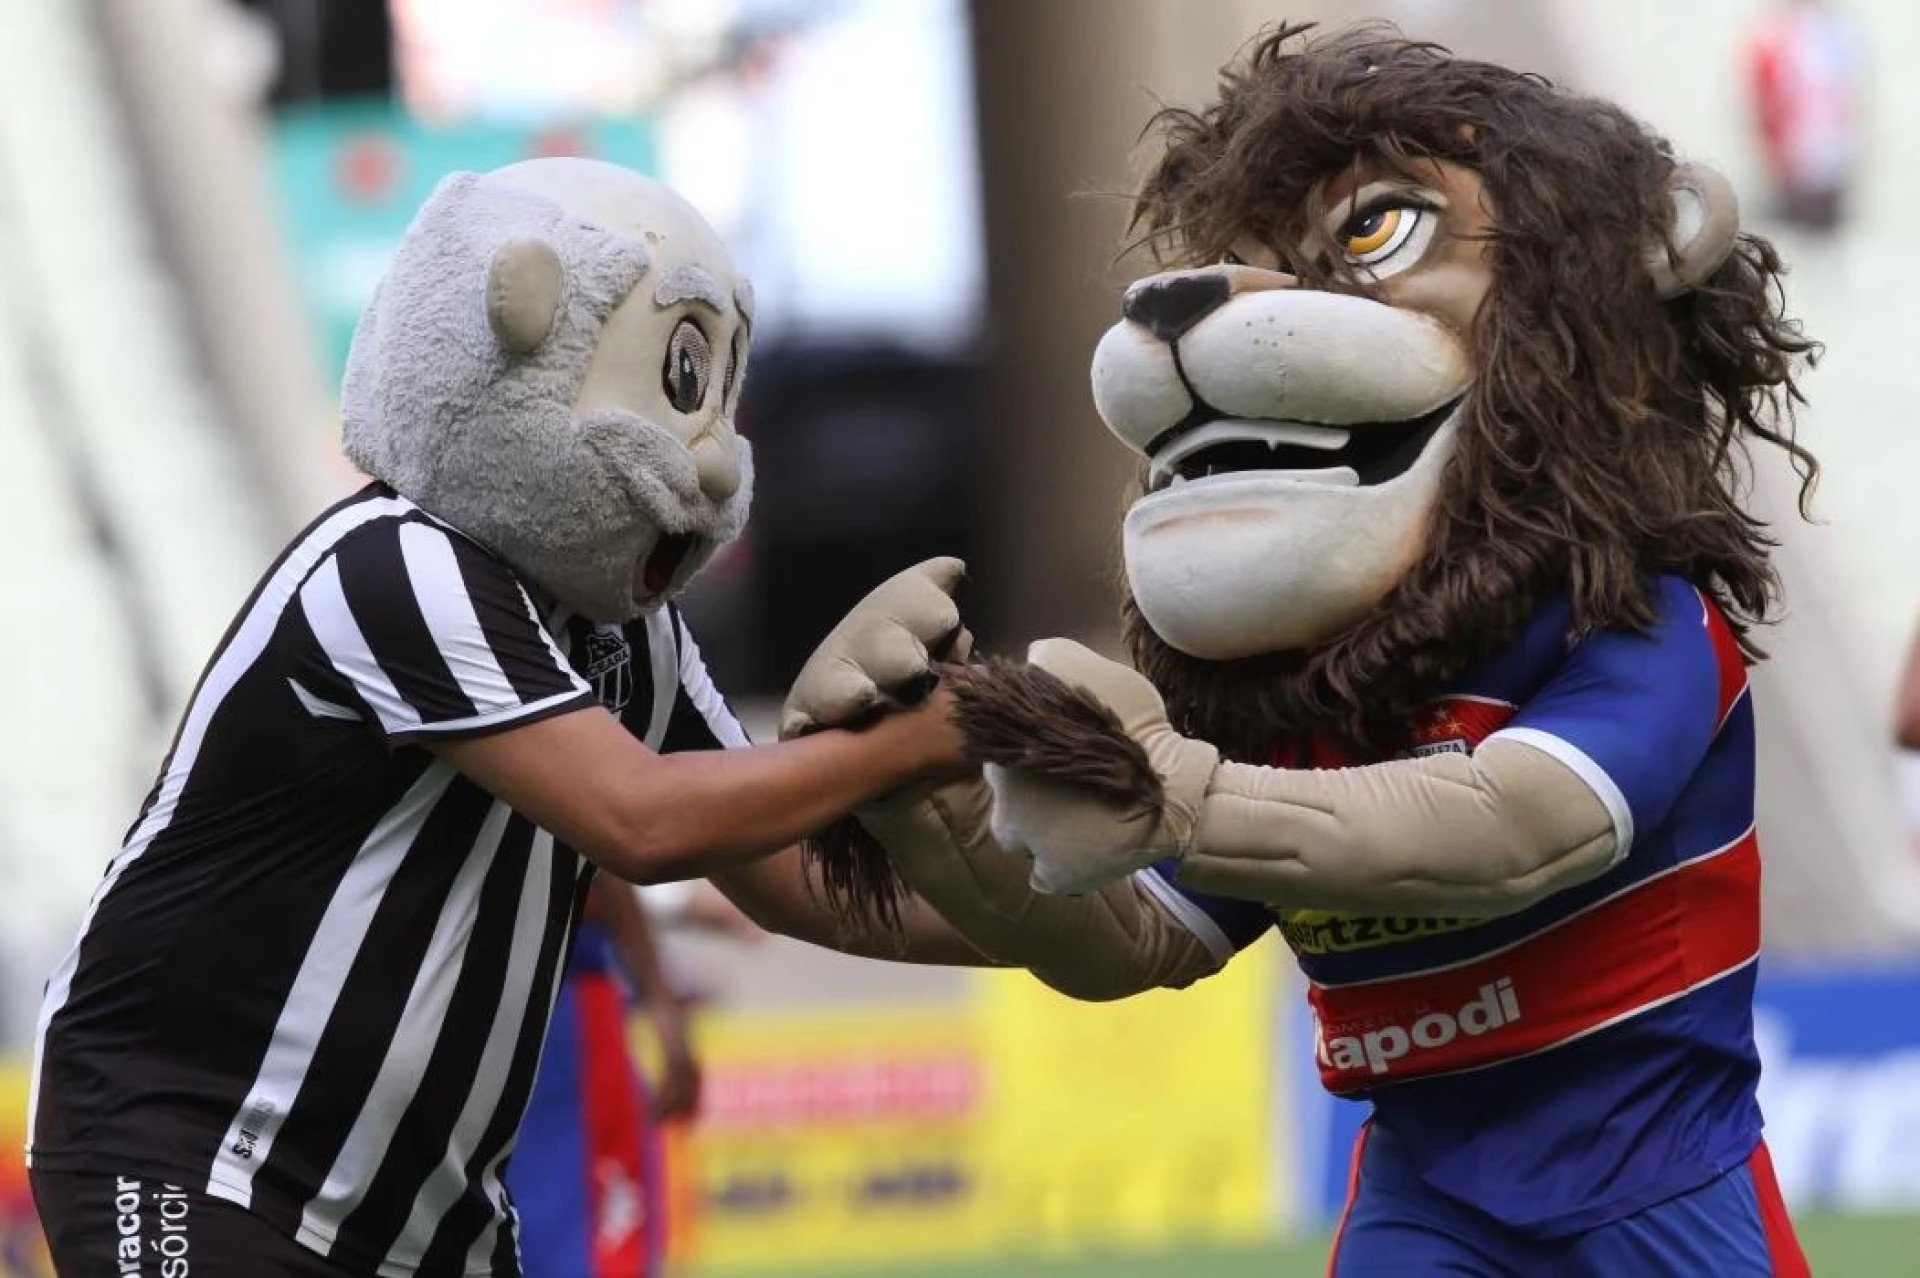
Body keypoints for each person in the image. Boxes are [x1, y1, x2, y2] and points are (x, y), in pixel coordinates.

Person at [23, 158, 975, 1277]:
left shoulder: (629, 632)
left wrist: (1079, 923)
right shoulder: (394, 567)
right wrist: (914, 744)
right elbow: (643, 821)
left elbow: (789, 875)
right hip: (185, 1150)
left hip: (427, 1223)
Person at [507, 879, 698, 1278]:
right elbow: (616, 856)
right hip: (561, 1008)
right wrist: (662, 1004)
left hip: (470, 1005)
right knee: (586, 1234)